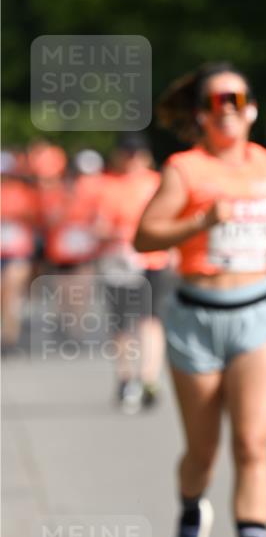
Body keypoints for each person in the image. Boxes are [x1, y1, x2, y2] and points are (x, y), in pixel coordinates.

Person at [135, 62, 266, 537]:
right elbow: (143, 235)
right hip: (196, 317)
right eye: (215, 101)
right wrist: (200, 222)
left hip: (258, 313)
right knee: (203, 451)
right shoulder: (185, 170)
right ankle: (192, 512)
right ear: (201, 114)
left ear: (251, 108)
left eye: (236, 98)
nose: (226, 109)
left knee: (252, 445)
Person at [98, 134, 172, 414]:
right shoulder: (109, 186)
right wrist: (117, 235)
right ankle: (126, 377)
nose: (133, 160)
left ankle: (149, 377)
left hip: (152, 260)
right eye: (128, 154)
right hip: (120, 262)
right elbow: (99, 225)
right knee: (122, 324)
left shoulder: (158, 182)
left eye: (137, 154)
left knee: (150, 319)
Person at [0, 151, 39, 354]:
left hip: (16, 251)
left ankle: (9, 339)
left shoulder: (23, 193)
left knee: (11, 292)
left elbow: (35, 217)